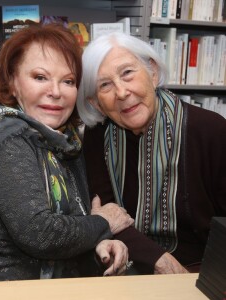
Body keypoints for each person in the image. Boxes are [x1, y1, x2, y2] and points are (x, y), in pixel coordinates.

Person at [0, 24, 134, 284]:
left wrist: (99, 244)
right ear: (13, 82)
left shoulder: (66, 144)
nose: (56, 92)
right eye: (40, 77)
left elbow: (71, 223)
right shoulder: (7, 138)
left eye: (68, 81)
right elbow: (41, 234)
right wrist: (103, 222)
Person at [77, 32, 226, 274]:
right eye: (105, 85)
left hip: (204, 272)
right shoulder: (97, 137)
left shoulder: (210, 130)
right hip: (127, 266)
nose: (122, 92)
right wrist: (158, 259)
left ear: (153, 73)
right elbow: (105, 213)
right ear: (95, 103)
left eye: (127, 73)